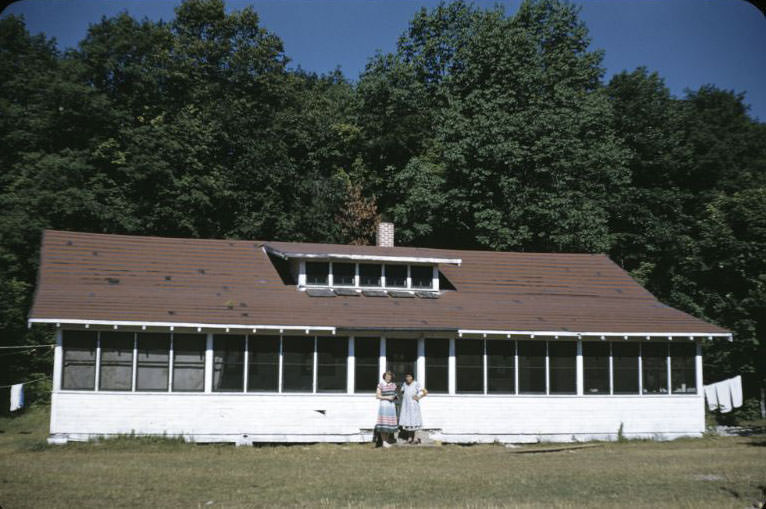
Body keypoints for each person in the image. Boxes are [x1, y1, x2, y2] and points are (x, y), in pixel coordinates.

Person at [398, 372, 427, 444]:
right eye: (407, 376)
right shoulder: (404, 384)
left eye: (409, 376)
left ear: (412, 377)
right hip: (406, 405)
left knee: (414, 421)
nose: (408, 378)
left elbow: (425, 392)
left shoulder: (416, 384)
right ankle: (409, 438)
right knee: (408, 421)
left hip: (413, 405)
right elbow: (402, 392)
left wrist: (418, 397)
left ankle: (416, 439)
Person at [374, 371, 398, 448]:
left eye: (389, 376)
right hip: (384, 405)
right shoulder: (381, 385)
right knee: (384, 423)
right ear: (384, 377)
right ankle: (383, 442)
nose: (388, 377)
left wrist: (395, 397)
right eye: (387, 376)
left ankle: (386, 441)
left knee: (389, 424)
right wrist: (387, 397)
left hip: (391, 406)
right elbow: (377, 396)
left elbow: (396, 395)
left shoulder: (394, 385)